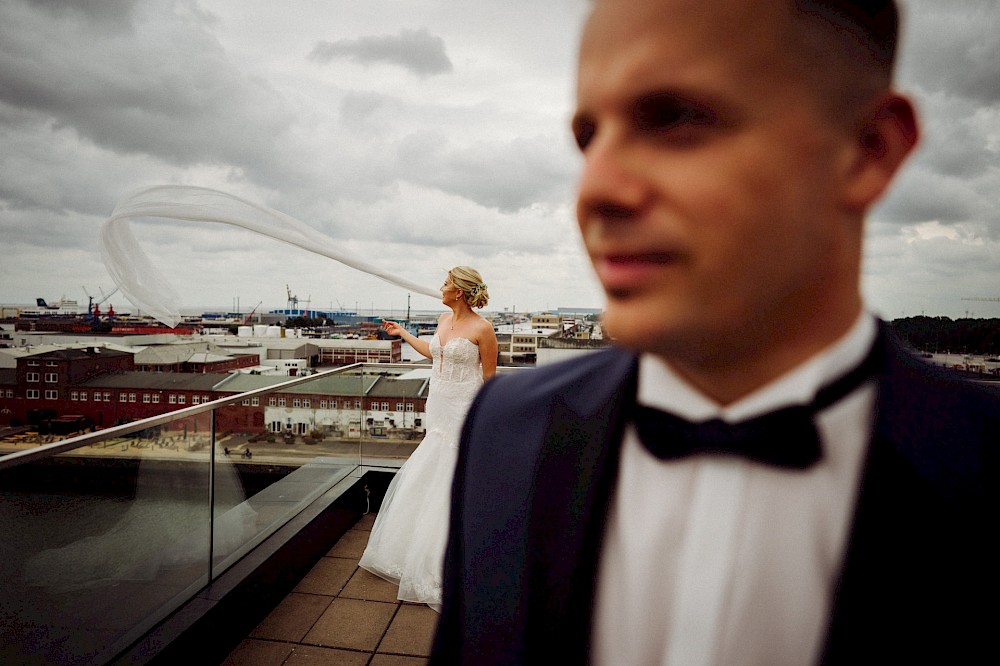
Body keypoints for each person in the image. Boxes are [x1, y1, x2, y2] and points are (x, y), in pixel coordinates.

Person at [432, 1, 997, 664]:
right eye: (589, 136)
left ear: (866, 149)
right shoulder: (507, 433)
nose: (595, 191)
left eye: (674, 117)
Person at [359, 265, 497, 611]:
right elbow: (433, 352)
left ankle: (442, 561)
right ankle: (413, 550)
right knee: (430, 470)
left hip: (464, 407)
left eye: (447, 283)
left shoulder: (483, 328)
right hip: (438, 404)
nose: (441, 287)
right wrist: (401, 332)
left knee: (452, 474)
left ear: (460, 292)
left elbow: (490, 379)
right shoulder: (442, 319)